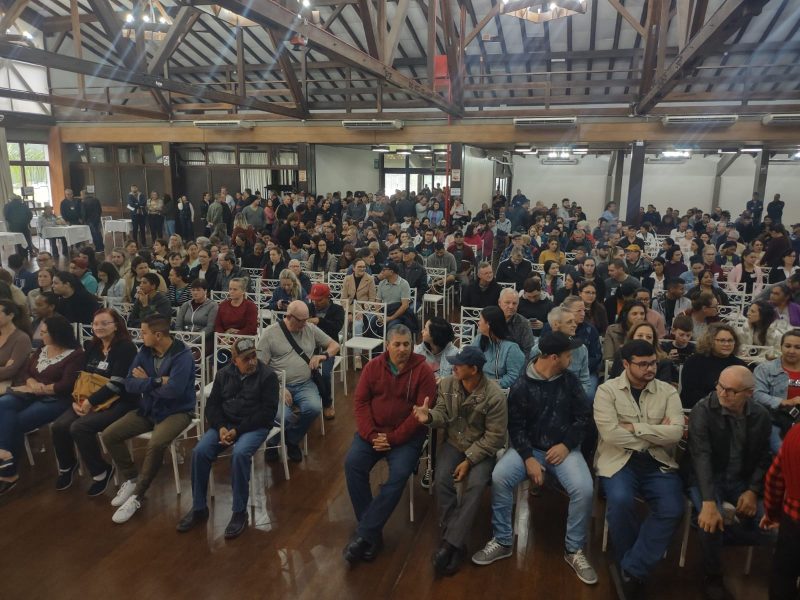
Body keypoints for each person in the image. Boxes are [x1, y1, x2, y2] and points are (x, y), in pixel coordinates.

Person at [473, 332, 597, 584]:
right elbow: (516, 426)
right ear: (554, 358)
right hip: (529, 449)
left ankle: (574, 549)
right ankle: (503, 540)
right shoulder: (522, 385)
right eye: (568, 355)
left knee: (584, 488)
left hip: (564, 449)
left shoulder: (570, 381)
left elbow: (583, 417)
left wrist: (566, 445)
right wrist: (528, 457)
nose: (571, 359)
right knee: (500, 476)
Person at [594, 340, 685, 599]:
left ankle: (631, 568)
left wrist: (635, 428)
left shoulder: (668, 392)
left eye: (653, 363)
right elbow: (611, 435)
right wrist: (656, 434)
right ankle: (633, 568)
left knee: (672, 508)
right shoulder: (607, 391)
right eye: (643, 364)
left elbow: (676, 433)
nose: (650, 368)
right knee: (620, 501)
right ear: (626, 364)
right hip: (619, 459)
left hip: (657, 462)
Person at [343, 325, 436, 565]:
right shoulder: (373, 367)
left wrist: (393, 438)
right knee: (353, 465)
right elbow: (361, 402)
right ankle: (371, 534)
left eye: (406, 344)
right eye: (397, 344)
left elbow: (420, 413)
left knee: (399, 475)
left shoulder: (424, 371)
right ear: (387, 345)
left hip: (406, 438)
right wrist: (372, 435)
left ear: (412, 344)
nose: (402, 349)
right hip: (373, 434)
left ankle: (365, 534)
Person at [413, 346, 507, 576]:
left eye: (458, 364)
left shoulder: (494, 396)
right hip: (454, 443)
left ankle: (448, 545)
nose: (453, 366)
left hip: (481, 450)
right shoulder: (447, 385)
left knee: (475, 485)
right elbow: (442, 414)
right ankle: (455, 543)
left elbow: (495, 437)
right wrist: (429, 416)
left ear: (474, 369)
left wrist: (468, 461)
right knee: (442, 479)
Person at [177, 338, 279, 539]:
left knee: (240, 454)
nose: (252, 361)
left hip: (254, 426)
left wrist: (237, 431)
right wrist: (221, 427)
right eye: (246, 359)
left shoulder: (268, 376)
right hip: (226, 424)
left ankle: (239, 511)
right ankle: (199, 507)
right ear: (234, 361)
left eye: (253, 356)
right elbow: (212, 406)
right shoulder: (223, 374)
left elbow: (267, 414)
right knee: (199, 452)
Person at [687, 365, 772, 600]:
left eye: (731, 391)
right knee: (711, 522)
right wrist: (708, 501)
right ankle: (712, 576)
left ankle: (716, 533)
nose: (722, 394)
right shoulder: (703, 410)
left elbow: (764, 457)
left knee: (772, 528)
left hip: (741, 480)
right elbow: (701, 456)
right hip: (707, 479)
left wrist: (753, 490)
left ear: (749, 393)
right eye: (720, 386)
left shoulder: (761, 415)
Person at [102, 315, 197, 524]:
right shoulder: (145, 351)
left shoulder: (182, 355)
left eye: (144, 332)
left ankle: (137, 495)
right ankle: (131, 478)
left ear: (158, 335)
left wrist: (145, 382)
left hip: (177, 412)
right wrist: (155, 381)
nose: (140, 336)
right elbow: (129, 384)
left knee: (155, 444)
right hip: (150, 409)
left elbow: (174, 391)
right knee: (110, 435)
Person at [50, 308, 138, 495]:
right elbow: (81, 377)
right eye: (96, 323)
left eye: (105, 323)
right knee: (59, 426)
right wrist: (76, 400)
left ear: (116, 326)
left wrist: (90, 402)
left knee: (79, 427)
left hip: (120, 401)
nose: (99, 327)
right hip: (87, 398)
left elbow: (117, 384)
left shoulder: (126, 348)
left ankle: (101, 472)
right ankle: (67, 466)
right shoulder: (91, 346)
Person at [0, 315, 83, 494]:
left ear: (57, 334)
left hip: (57, 399)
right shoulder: (43, 348)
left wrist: (41, 389)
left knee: (17, 421)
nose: (40, 336)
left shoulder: (75, 354)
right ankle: (4, 452)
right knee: (3, 403)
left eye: (44, 333)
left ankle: (9, 473)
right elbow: (26, 372)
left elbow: (66, 385)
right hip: (31, 392)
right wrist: (32, 384)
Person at [258, 301, 339, 463]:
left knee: (314, 408)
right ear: (289, 317)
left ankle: (291, 440)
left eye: (307, 319)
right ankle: (273, 443)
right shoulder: (270, 333)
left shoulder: (309, 328)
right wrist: (278, 387)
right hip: (278, 385)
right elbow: (260, 367)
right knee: (285, 416)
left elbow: (334, 345)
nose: (305, 324)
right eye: (301, 320)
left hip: (304, 383)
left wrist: (323, 356)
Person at [761, 424, 800, 599]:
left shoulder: (795, 433)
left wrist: (773, 515)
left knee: (783, 577)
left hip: (792, 522)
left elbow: (774, 478)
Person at [754, 329, 800, 453]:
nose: (791, 351)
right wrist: (785, 402)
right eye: (788, 346)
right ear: (781, 347)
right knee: (784, 452)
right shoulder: (765, 369)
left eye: (797, 347)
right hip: (775, 419)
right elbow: (757, 395)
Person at [681, 323, 746, 409]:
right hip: (701, 409)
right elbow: (690, 393)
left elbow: (745, 393)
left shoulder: (740, 365)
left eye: (730, 340)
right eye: (722, 340)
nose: (727, 344)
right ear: (710, 341)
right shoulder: (694, 362)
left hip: (733, 410)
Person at [306, 283, 345, 419]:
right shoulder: (308, 307)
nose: (315, 303)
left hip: (329, 349)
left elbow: (336, 328)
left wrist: (319, 321)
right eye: (313, 300)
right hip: (308, 347)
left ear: (328, 297)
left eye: (319, 300)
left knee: (324, 374)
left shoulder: (337, 309)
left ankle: (327, 403)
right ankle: (307, 398)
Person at [471, 305, 525, 389]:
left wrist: (488, 386)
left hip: (498, 391)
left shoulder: (511, 348)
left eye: (480, 320)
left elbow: (514, 376)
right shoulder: (479, 339)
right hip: (477, 386)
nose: (478, 323)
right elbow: (469, 361)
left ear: (488, 324)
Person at [414, 316, 458, 382]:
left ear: (434, 335)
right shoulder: (419, 351)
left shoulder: (454, 354)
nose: (422, 331)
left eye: (425, 329)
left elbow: (457, 379)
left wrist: (444, 380)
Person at [376, 262, 416, 333]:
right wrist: (379, 316)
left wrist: (391, 318)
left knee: (392, 327)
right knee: (370, 324)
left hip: (398, 314)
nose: (382, 272)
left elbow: (405, 305)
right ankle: (378, 340)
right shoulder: (382, 283)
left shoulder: (404, 284)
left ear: (391, 272)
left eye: (384, 270)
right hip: (384, 312)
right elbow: (377, 303)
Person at [498, 288, 534, 357]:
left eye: (514, 303)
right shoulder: (490, 319)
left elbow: (528, 350)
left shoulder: (524, 323)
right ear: (499, 302)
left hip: (515, 360)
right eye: (507, 302)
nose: (511, 306)